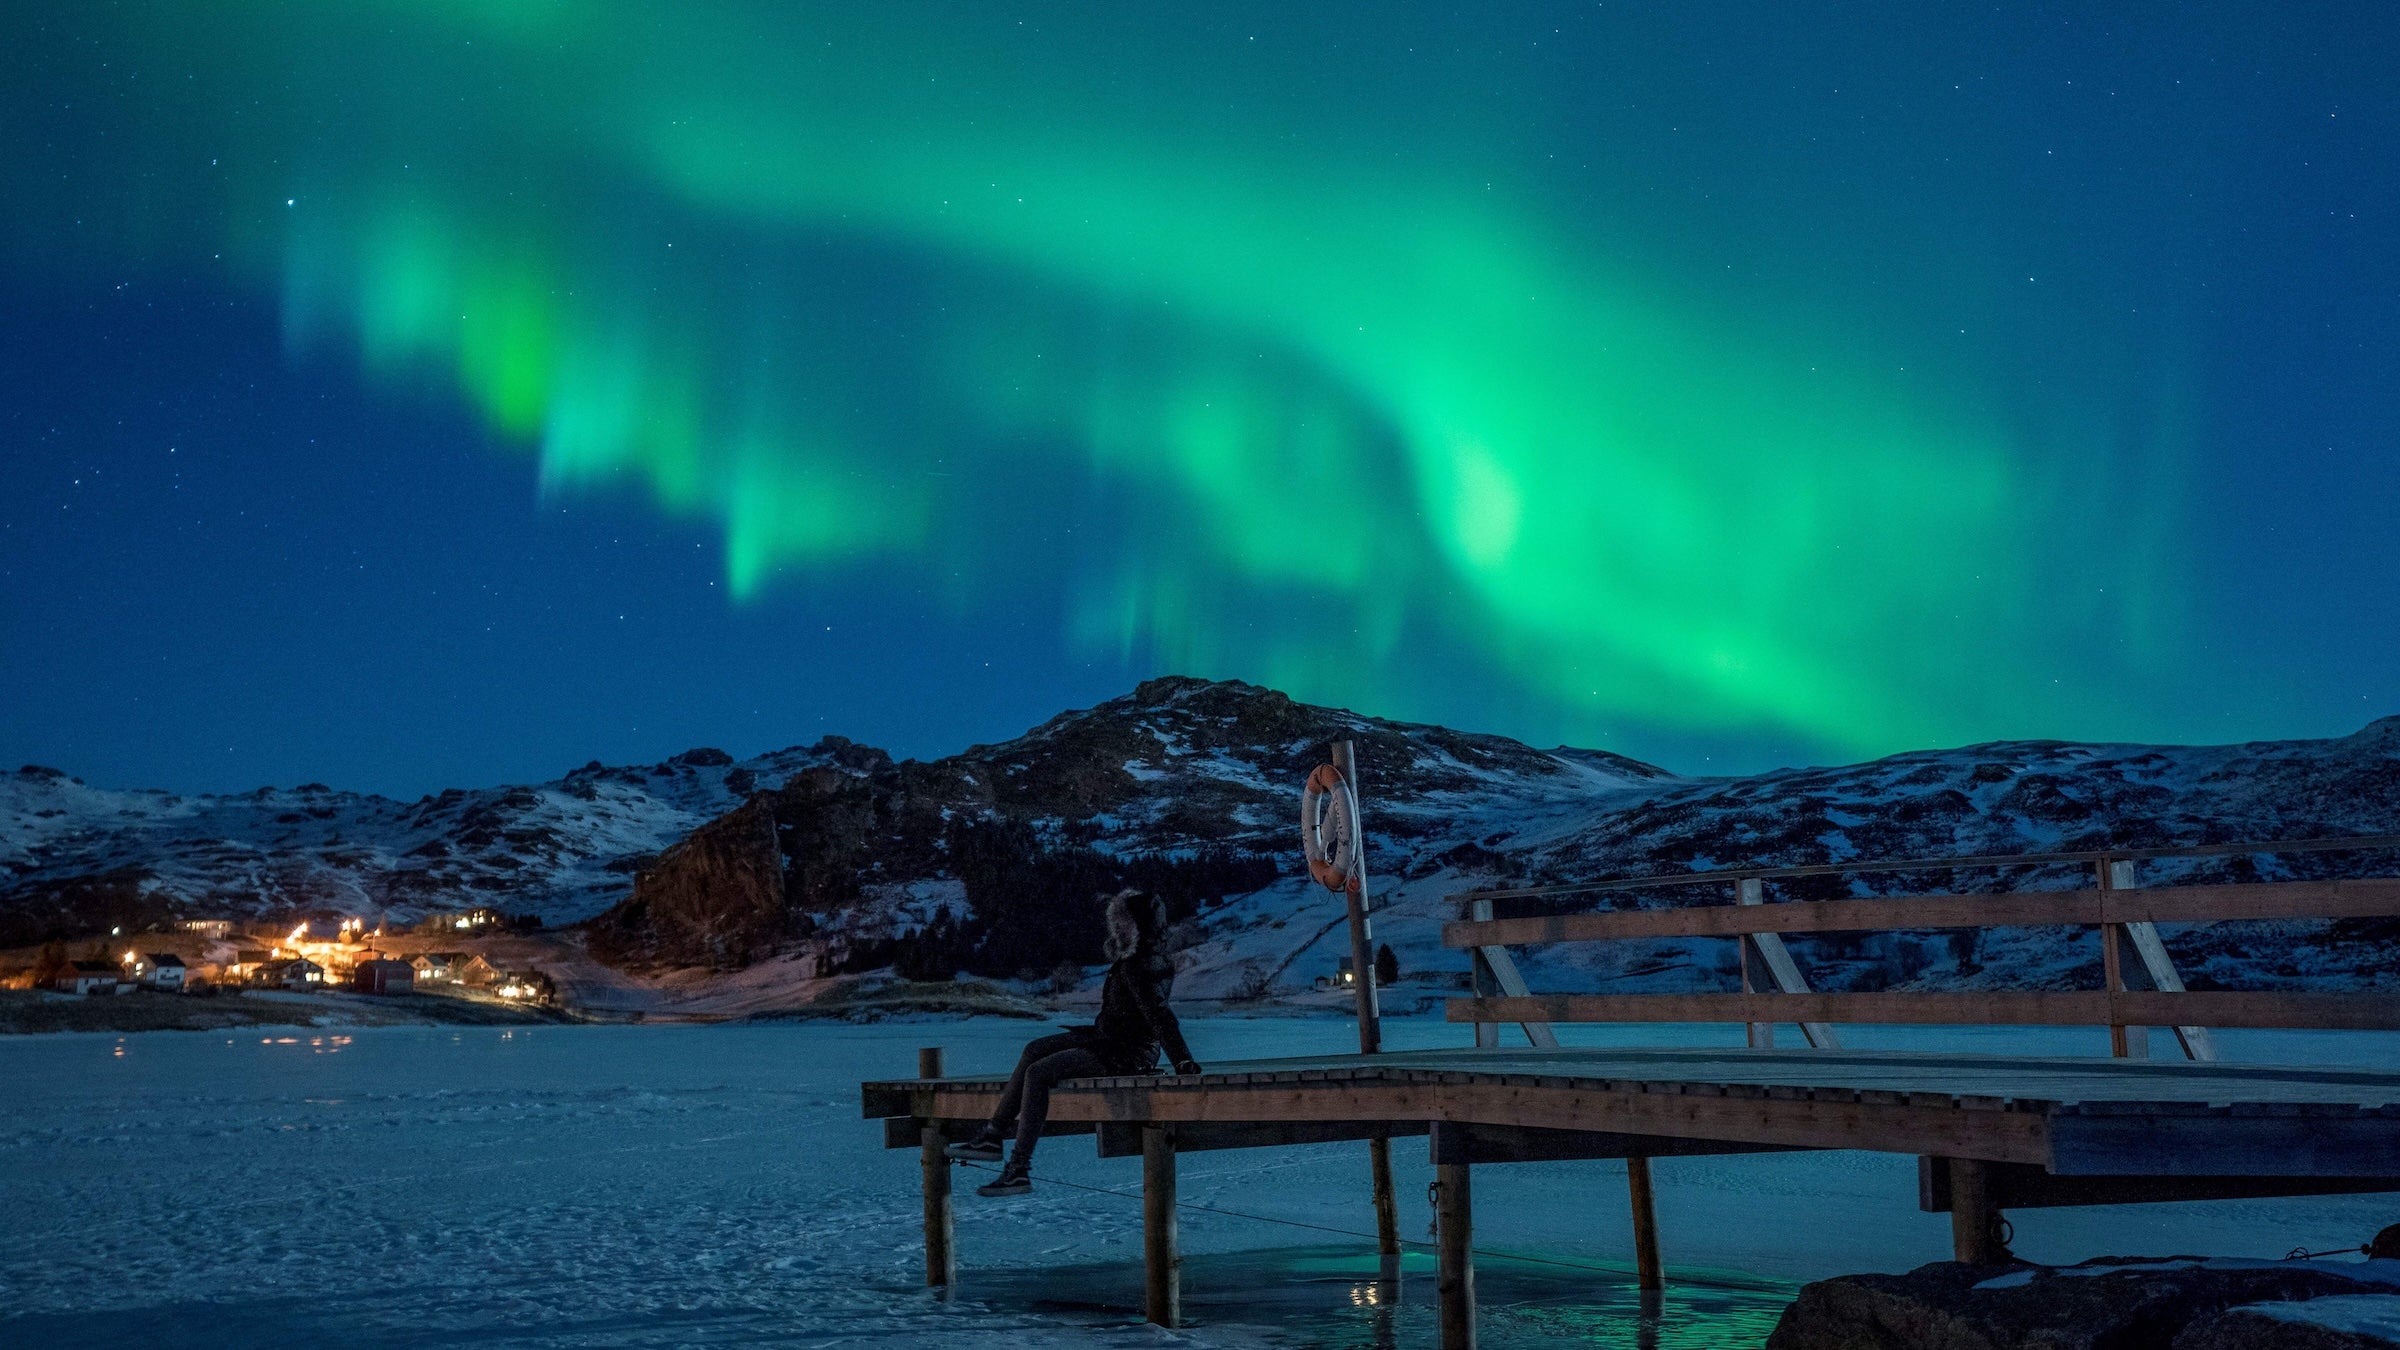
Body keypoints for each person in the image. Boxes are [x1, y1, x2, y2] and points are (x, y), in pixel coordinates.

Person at [948, 887, 1202, 1196]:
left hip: (1127, 1054)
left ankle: (1018, 1169)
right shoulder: (1135, 958)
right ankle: (992, 1134)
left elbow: (1160, 1014)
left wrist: (1182, 1060)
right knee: (1033, 1050)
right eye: (1115, 922)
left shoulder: (1143, 964)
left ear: (1140, 925)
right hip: (1107, 1040)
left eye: (1124, 922)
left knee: (1038, 1072)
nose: (1117, 928)